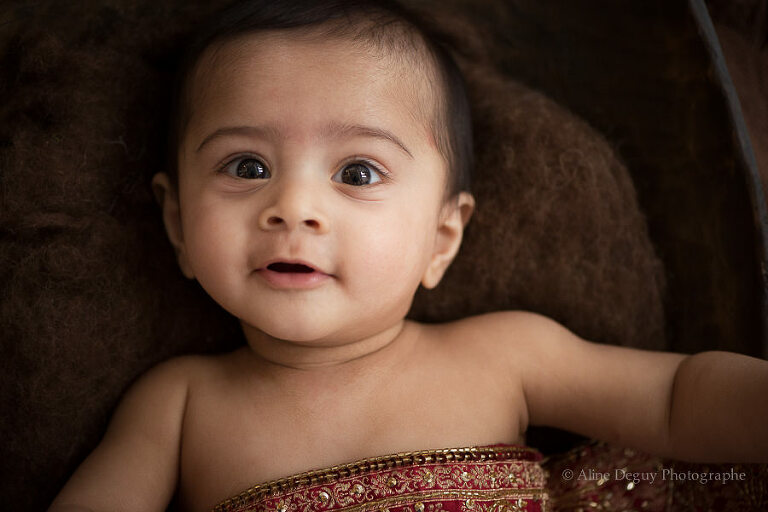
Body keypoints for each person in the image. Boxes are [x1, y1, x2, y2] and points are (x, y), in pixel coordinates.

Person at [48, 0, 768, 511]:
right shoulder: (179, 405)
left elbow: (673, 399)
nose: (293, 205)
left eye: (358, 172)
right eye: (246, 166)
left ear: (441, 239)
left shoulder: (505, 356)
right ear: (177, 223)